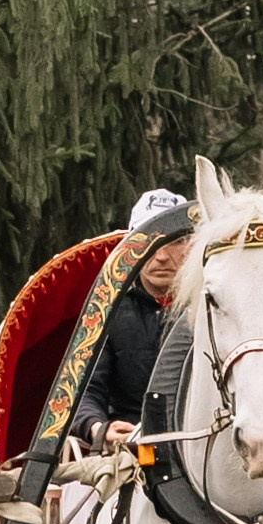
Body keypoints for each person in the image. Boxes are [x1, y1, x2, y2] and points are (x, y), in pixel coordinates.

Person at [71, 189, 193, 448]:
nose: (161, 256)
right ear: (129, 249)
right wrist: (99, 428)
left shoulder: (214, 308)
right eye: (148, 241)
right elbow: (83, 389)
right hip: (129, 448)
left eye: (173, 241)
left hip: (203, 446)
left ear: (192, 245)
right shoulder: (107, 310)